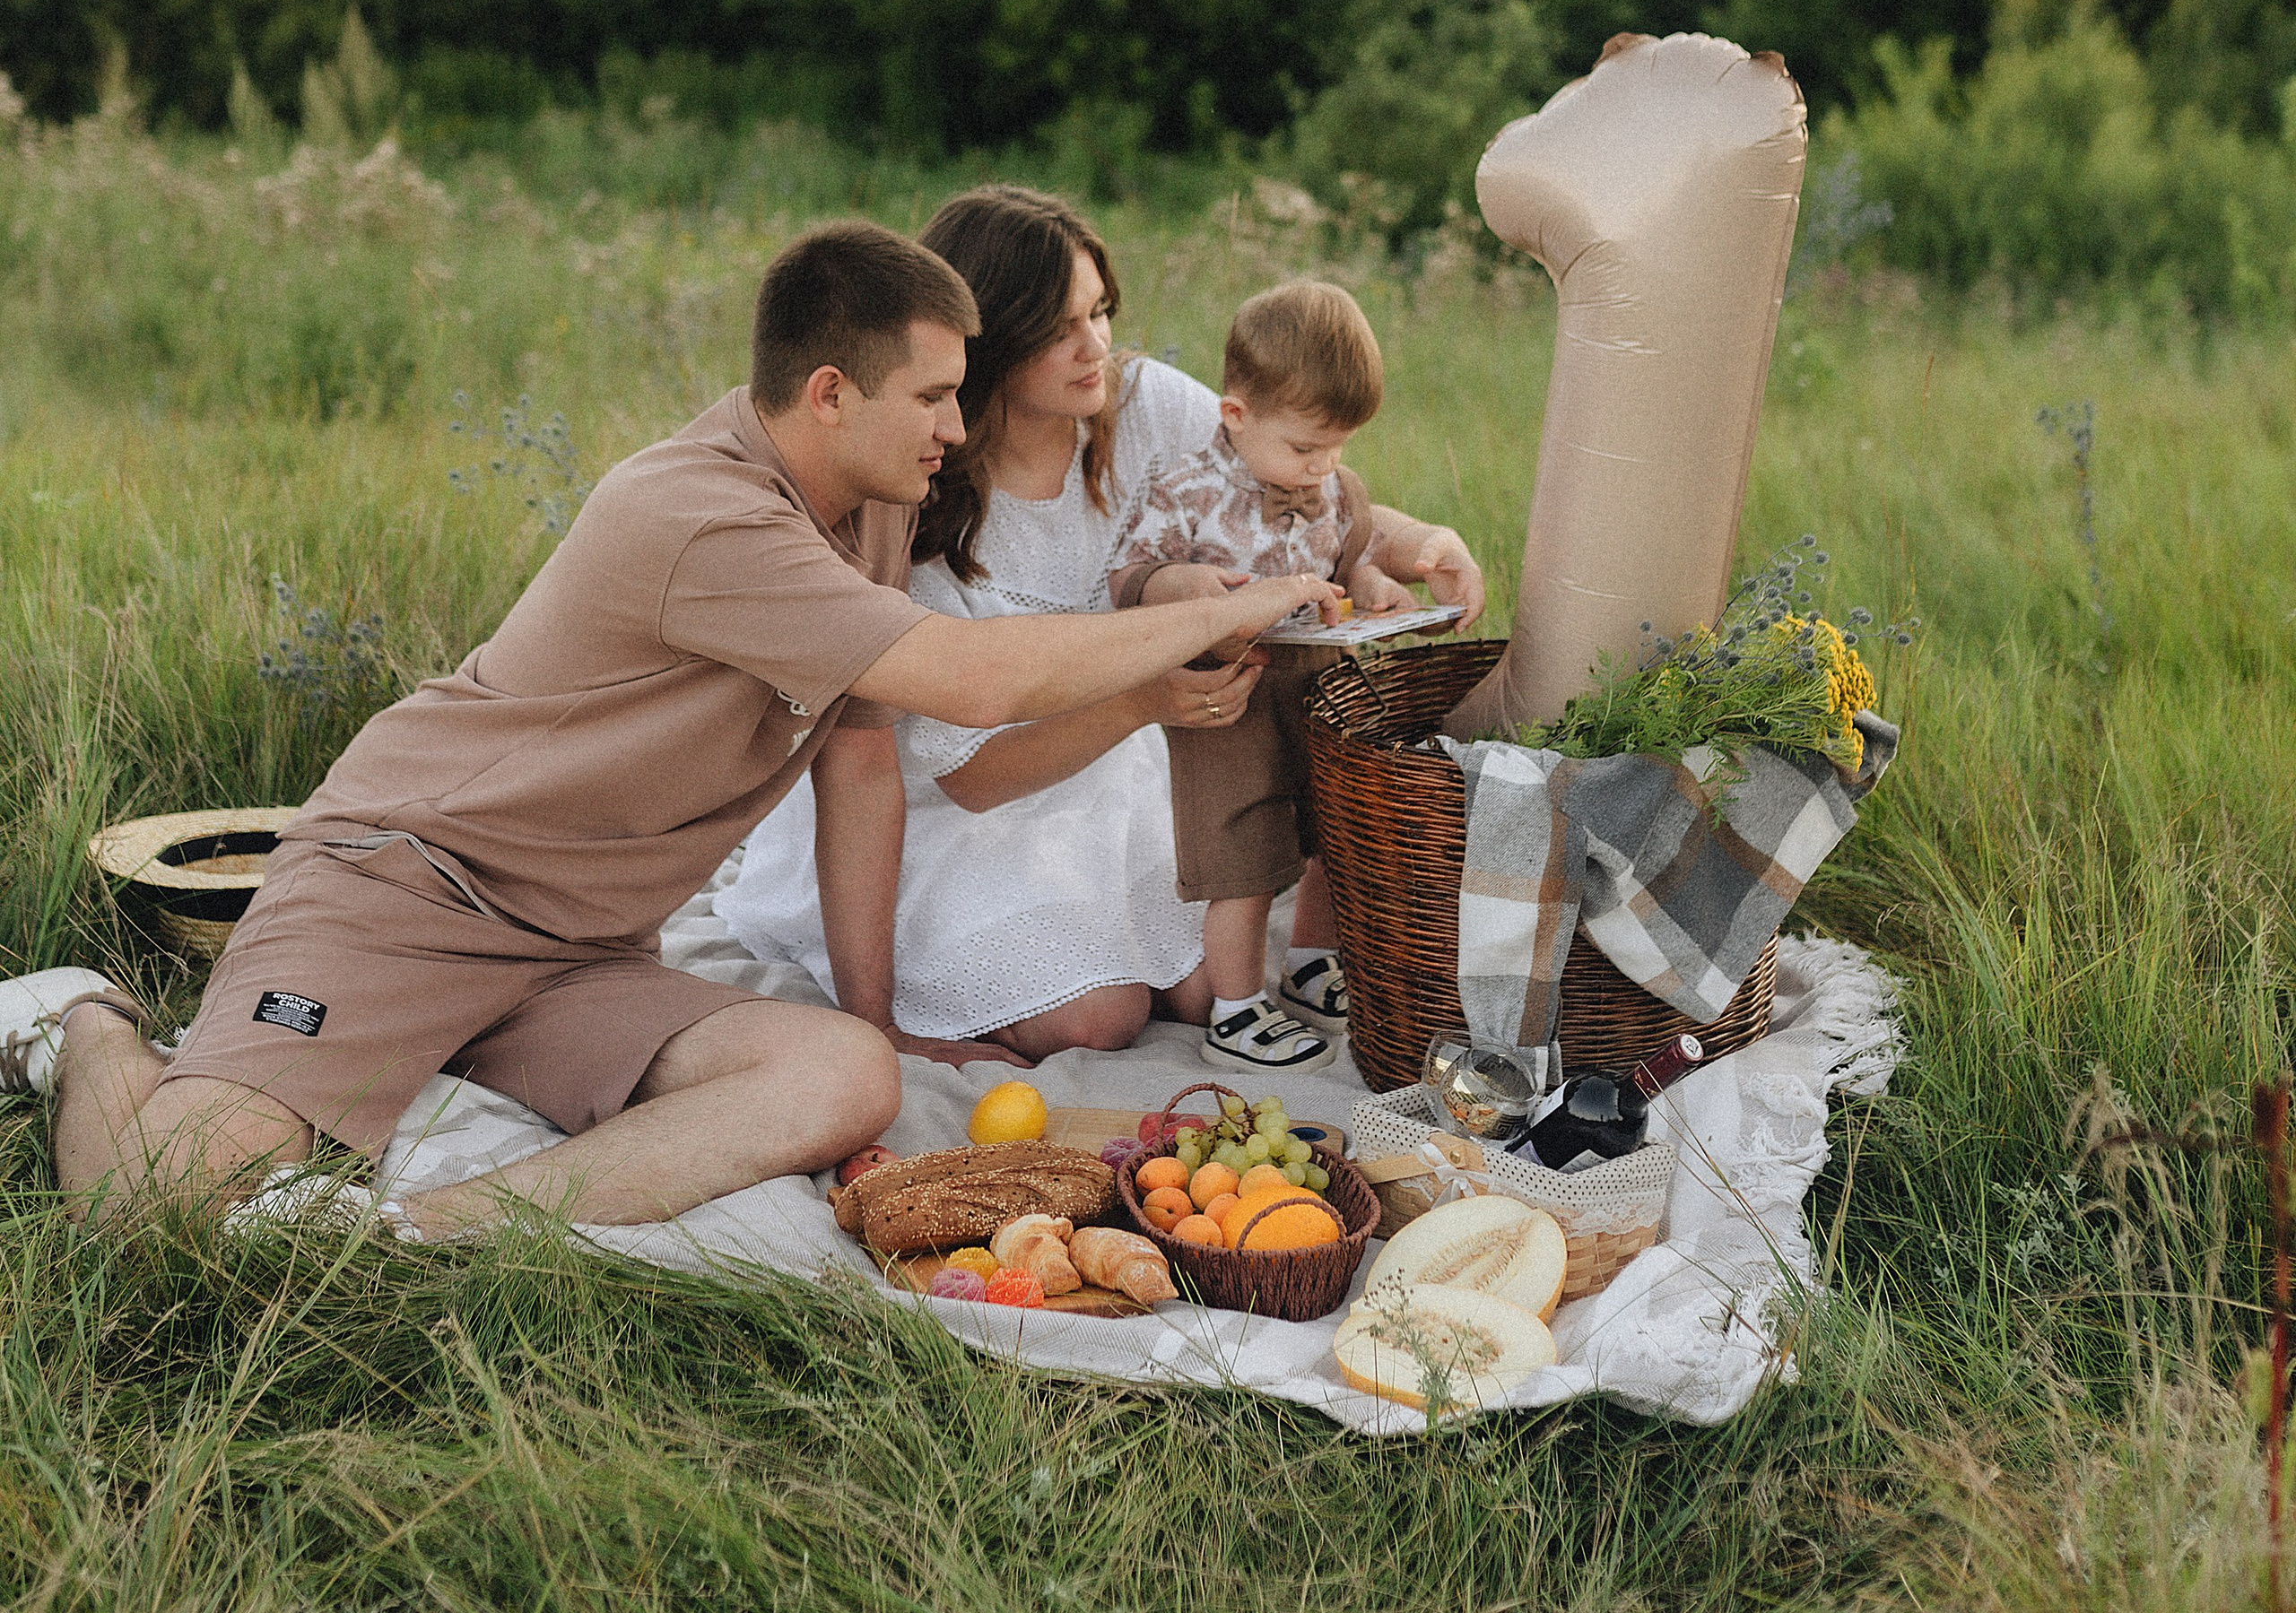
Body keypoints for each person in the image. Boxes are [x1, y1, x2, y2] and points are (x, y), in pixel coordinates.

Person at [0, 221, 1326, 1237]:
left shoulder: (868, 502)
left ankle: (419, 1234)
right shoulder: (698, 516)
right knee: (154, 1204)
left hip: (579, 950)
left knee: (843, 1079)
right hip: (406, 890)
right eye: (931, 397)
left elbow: (862, 756)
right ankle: (91, 1022)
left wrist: (884, 1022)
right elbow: (969, 681)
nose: (958, 425)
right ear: (826, 392)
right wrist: (1249, 600)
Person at [723, 189, 1486, 1065]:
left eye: (1101, 311)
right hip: (972, 791)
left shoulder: (1145, 403)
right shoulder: (922, 490)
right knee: (1100, 1017)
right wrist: (1142, 700)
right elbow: (970, 776)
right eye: (1060, 328)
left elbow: (1294, 478)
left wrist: (1422, 542)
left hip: (1129, 758)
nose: (1096, 347)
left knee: (1212, 985)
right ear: (986, 341)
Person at [1105, 280, 1419, 1074]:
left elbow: (1352, 563)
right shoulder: (1186, 492)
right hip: (1230, 692)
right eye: (1306, 448)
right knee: (1241, 858)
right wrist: (1184, 591)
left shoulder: (1338, 491)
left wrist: (1376, 587)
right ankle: (1236, 1009)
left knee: (1329, 835)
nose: (1324, 467)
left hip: (1319, 686)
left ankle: (1313, 964)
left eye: (1339, 446)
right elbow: (1129, 578)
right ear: (1236, 416)